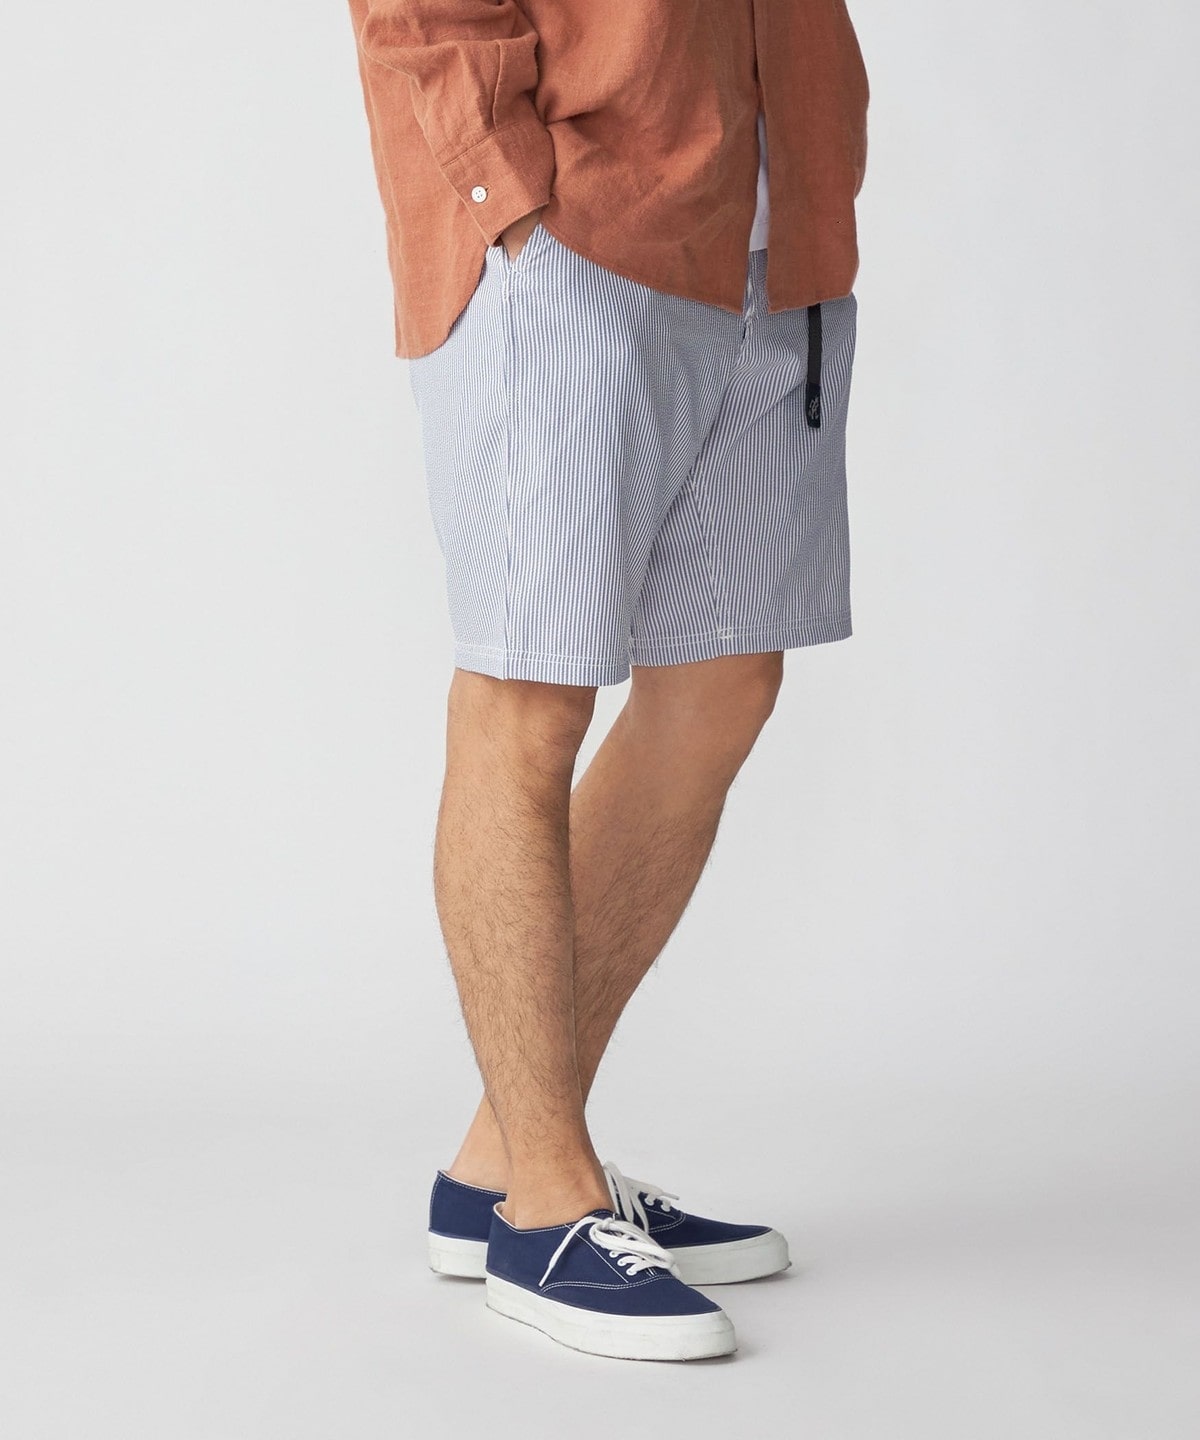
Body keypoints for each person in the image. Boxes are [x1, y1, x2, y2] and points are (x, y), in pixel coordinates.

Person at [345, 0, 869, 1361]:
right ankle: (548, 1203)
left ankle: (498, 1166)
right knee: (529, 697)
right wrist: (507, 200)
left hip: (776, 228)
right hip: (574, 231)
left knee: (721, 686)